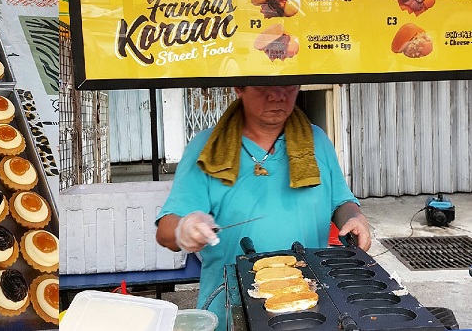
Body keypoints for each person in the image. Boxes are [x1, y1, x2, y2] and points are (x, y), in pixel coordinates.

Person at [155, 85, 371, 318]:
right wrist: (183, 229)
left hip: (308, 301)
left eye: (287, 85)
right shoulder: (207, 147)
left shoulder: (316, 141)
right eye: (262, 85)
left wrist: (354, 217)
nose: (277, 95)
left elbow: (341, 202)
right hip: (230, 307)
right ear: (239, 87)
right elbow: (165, 231)